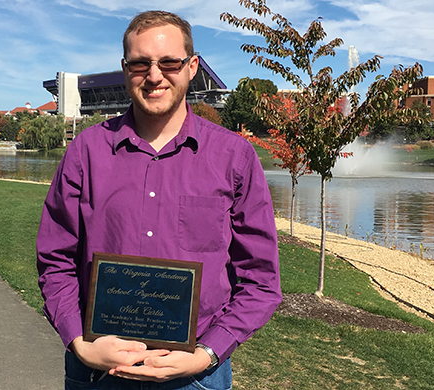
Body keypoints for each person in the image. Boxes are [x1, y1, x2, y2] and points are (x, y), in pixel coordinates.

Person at [37, 10, 282, 389]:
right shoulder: (86, 152)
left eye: (169, 62)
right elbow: (55, 260)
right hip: (98, 372)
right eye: (140, 64)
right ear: (125, 68)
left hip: (197, 376)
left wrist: (207, 353)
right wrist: (79, 343)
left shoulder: (234, 158)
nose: (154, 76)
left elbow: (260, 280)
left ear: (191, 67)